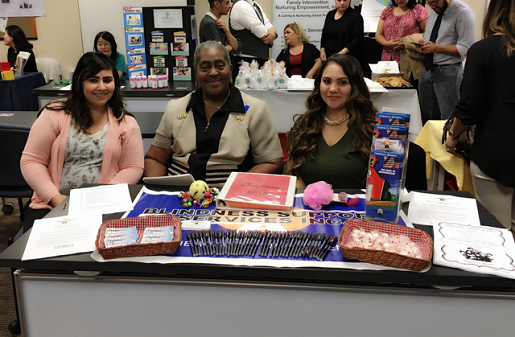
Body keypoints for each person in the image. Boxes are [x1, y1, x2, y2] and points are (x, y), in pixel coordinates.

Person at [20, 52, 144, 231]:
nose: (101, 87)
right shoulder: (53, 114)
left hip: (105, 205)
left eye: (107, 80)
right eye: (93, 80)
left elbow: (133, 167)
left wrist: (102, 198)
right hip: (52, 203)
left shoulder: (125, 122)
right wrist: (56, 199)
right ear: (80, 82)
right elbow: (31, 161)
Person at [144, 41, 284, 185]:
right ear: (196, 72)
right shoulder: (176, 107)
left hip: (228, 194)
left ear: (230, 69)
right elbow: (155, 158)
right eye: (205, 67)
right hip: (180, 194)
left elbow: (272, 162)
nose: (213, 72)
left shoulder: (255, 109)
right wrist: (158, 191)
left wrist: (235, 187)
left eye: (220, 66)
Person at [444, 0, 515, 234]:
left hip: (495, 154)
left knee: (496, 235)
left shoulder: (484, 50)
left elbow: (469, 107)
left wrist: (453, 136)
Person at [287, 54, 376, 189]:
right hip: (309, 206)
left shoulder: (372, 126)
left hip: (357, 207)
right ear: (319, 84)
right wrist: (304, 199)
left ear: (355, 86)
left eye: (342, 82)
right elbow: (294, 174)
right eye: (327, 81)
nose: (333, 89)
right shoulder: (304, 123)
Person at [416, 0, 475, 123]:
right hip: (428, 69)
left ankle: (449, 143)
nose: (432, 6)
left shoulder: (463, 12)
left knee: (448, 119)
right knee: (426, 117)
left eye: (434, 2)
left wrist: (436, 48)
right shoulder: (435, 11)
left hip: (449, 71)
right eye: (428, 3)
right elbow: (430, 38)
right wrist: (423, 44)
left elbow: (466, 48)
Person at [229, 0, 278, 80]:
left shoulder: (255, 5)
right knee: (245, 92)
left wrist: (273, 35)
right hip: (245, 62)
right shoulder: (241, 5)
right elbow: (262, 34)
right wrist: (270, 38)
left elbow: (269, 25)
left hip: (257, 61)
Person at [375, 0, 428, 65]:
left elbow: (427, 35)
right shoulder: (388, 10)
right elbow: (378, 35)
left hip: (409, 58)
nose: (399, 0)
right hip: (387, 59)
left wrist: (406, 44)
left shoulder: (418, 10)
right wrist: (386, 43)